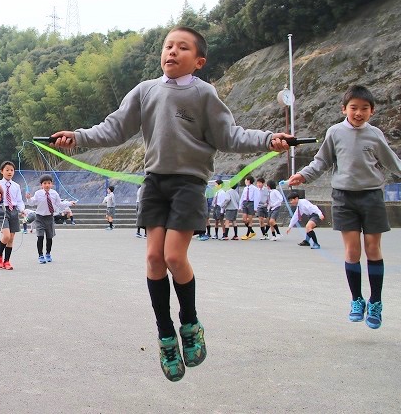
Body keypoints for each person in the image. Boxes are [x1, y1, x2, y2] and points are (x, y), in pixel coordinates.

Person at [50, 26, 290, 382]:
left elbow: (230, 134)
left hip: (189, 184)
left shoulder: (204, 93)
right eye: (168, 46)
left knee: (175, 257)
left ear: (199, 60)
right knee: (153, 258)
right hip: (155, 183)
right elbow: (115, 128)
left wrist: (268, 139)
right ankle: (165, 334)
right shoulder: (146, 91)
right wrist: (78, 137)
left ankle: (190, 323)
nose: (172, 52)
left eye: (182, 48)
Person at [287, 85, 401, 330]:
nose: (358, 113)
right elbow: (322, 161)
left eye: (364, 109)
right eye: (353, 108)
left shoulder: (375, 135)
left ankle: (376, 302)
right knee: (352, 251)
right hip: (343, 198)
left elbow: (393, 163)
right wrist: (303, 175)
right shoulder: (335, 132)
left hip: (372, 197)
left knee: (372, 248)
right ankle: (357, 300)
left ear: (372, 111)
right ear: (344, 109)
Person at [25, 174, 71, 263]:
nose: (47, 185)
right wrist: (29, 198)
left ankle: (48, 253)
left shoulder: (54, 193)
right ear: (41, 185)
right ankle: (40, 255)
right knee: (40, 237)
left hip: (49, 217)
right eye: (45, 183)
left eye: (49, 183)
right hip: (39, 218)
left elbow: (59, 203)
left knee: (49, 237)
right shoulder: (38, 193)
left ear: (51, 184)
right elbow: (32, 203)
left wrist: (69, 203)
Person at [0, 161, 24, 270]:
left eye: (11, 170)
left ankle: (7, 261)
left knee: (11, 238)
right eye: (7, 170)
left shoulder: (16, 186)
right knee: (6, 236)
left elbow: (19, 200)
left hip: (13, 211)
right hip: (2, 210)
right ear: (2, 171)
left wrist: (22, 210)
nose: (9, 172)